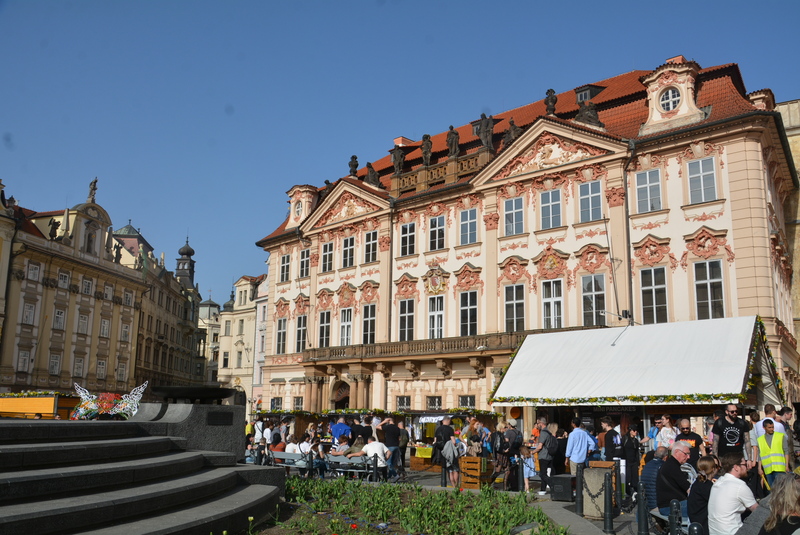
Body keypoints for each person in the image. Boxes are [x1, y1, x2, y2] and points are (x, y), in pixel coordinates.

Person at [708, 452, 758, 535]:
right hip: (732, 532)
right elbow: (757, 510)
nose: (747, 468)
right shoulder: (739, 485)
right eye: (744, 465)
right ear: (736, 467)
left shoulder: (718, 483)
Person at [656, 441, 692, 519]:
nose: (688, 457)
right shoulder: (672, 467)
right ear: (676, 452)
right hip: (669, 507)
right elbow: (689, 489)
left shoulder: (670, 464)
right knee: (703, 506)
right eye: (686, 454)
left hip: (669, 504)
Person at [689, 455, 721, 534]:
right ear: (713, 469)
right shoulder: (707, 486)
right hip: (704, 526)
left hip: (695, 521)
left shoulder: (698, 483)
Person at [713, 404, 752, 468]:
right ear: (726, 412)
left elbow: (747, 441)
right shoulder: (719, 422)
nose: (735, 413)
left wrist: (749, 459)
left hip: (738, 457)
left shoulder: (742, 423)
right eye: (732, 412)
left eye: (736, 411)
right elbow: (715, 442)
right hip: (723, 457)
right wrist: (716, 459)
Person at [757, 418, 790, 488]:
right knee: (772, 490)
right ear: (764, 428)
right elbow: (760, 455)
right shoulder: (760, 440)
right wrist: (759, 468)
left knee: (781, 489)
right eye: (769, 427)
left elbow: (786, 451)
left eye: (772, 427)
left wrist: (786, 466)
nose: (772, 429)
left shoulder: (780, 436)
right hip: (768, 469)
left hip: (780, 468)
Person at [531, 417, 555, 495]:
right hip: (549, 455)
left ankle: (552, 485)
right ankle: (542, 489)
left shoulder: (543, 433)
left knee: (542, 474)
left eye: (538, 423)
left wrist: (533, 452)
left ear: (541, 423)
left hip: (544, 455)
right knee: (544, 473)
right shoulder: (549, 432)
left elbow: (540, 446)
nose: (537, 425)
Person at [377, 416, 405, 481]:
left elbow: (377, 426)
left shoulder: (388, 427)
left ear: (388, 420)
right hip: (396, 446)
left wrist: (384, 421)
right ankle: (389, 477)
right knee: (393, 463)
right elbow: (399, 438)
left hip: (390, 446)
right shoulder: (397, 428)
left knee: (388, 463)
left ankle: (395, 475)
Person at [641, 446, 669, 511]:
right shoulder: (663, 466)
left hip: (646, 502)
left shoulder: (647, 465)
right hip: (657, 504)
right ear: (665, 457)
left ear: (655, 454)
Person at [435, 416, 458, 487]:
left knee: (449, 470)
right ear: (448, 421)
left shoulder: (438, 429)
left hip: (442, 452)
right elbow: (453, 441)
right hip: (450, 451)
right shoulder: (450, 429)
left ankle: (452, 484)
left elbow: (435, 441)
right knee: (455, 468)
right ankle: (456, 486)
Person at [622, 425, 642, 498]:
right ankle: (628, 491)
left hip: (634, 461)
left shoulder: (636, 440)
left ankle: (635, 491)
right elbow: (622, 449)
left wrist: (638, 462)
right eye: (634, 430)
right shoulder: (625, 438)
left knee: (635, 477)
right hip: (626, 460)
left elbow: (637, 452)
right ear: (630, 431)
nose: (635, 432)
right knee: (628, 477)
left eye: (636, 430)